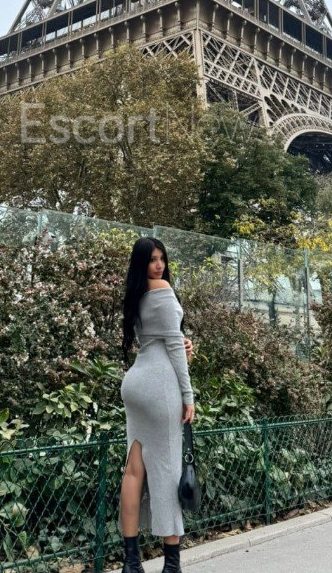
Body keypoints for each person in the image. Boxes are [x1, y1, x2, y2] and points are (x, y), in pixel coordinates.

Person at [119, 237, 195, 573]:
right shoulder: (162, 289)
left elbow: (162, 339)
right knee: (167, 472)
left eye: (162, 258)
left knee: (134, 470)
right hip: (160, 387)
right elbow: (174, 349)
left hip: (136, 382)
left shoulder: (137, 293)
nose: (159, 265)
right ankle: (172, 565)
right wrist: (188, 396)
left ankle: (131, 563)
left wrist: (181, 343)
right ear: (142, 263)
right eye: (152, 259)